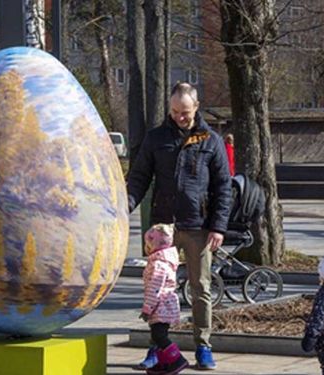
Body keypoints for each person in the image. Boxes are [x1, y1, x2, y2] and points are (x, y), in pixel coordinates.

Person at [128, 82, 231, 370]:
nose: (179, 117)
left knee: (201, 288)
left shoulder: (211, 140)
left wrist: (218, 227)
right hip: (163, 229)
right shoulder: (156, 138)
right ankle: (157, 346)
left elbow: (224, 187)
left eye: (184, 112)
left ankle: (203, 346)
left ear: (196, 108)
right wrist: (125, 206)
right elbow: (139, 178)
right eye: (174, 111)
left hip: (199, 226)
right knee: (157, 289)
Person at [138, 224, 188, 375]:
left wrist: (147, 309)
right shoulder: (164, 261)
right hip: (165, 304)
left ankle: (177, 360)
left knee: (159, 336)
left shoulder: (158, 264)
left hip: (161, 305)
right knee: (158, 335)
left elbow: (155, 289)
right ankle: (163, 363)